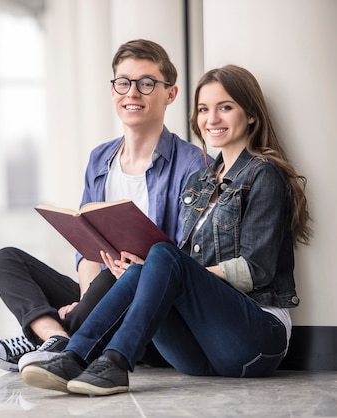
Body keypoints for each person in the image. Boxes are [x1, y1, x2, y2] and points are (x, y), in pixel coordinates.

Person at [21, 64, 313, 396]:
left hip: (256, 342)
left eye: (225, 107)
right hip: (201, 355)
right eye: (204, 109)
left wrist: (177, 271)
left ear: (251, 115)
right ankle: (74, 355)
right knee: (140, 270)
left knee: (161, 257)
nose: (212, 119)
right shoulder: (199, 181)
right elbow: (182, 266)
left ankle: (115, 363)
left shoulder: (263, 175)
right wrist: (151, 272)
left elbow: (256, 270)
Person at [0, 39, 210, 372]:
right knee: (5, 260)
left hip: (150, 309)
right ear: (113, 89)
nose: (132, 93)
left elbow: (191, 258)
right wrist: (86, 301)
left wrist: (132, 273)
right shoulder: (100, 158)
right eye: (123, 82)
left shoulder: (193, 165)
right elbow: (87, 247)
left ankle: (47, 341)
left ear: (170, 94)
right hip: (98, 297)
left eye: (146, 84)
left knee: (120, 276)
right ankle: (56, 339)